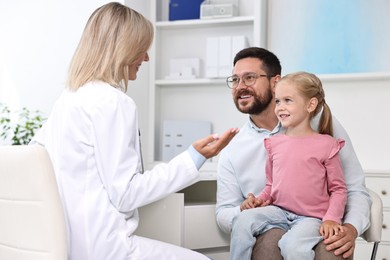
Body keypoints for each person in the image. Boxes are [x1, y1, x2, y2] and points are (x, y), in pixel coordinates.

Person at [30, 3, 238, 260]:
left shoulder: (67, 100)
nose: (147, 58)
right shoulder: (114, 102)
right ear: (122, 49)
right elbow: (126, 194)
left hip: (69, 247)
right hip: (107, 249)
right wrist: (193, 157)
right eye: (142, 49)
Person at [215, 47, 371, 259]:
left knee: (330, 250)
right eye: (235, 80)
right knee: (268, 243)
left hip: (316, 219)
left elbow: (351, 188)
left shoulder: (322, 127)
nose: (240, 86)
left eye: (249, 77)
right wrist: (246, 209)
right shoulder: (232, 149)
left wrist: (351, 228)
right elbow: (224, 212)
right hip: (270, 219)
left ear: (275, 82)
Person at [230, 72, 348, 260]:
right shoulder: (274, 143)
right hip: (279, 211)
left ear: (310, 105)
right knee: (242, 220)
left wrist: (332, 218)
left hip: (312, 217)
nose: (280, 107)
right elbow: (271, 186)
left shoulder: (327, 145)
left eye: (287, 100)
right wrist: (258, 200)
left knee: (291, 246)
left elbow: (338, 189)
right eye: (277, 101)